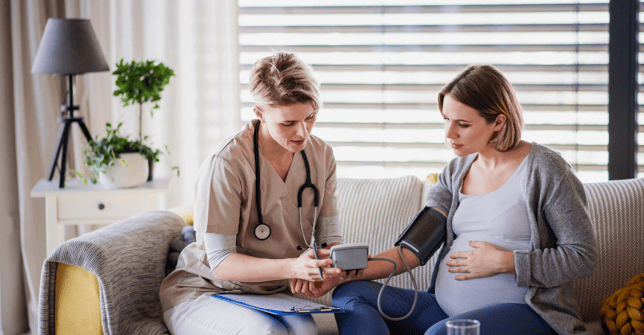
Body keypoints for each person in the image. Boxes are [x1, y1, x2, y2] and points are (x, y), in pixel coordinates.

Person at [292, 64, 597, 335]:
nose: (449, 133)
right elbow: (410, 252)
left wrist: (506, 262)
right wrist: (341, 274)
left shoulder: (545, 169)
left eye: (463, 124)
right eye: (447, 120)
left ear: (499, 122)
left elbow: (582, 255)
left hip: (529, 315)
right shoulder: (455, 172)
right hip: (443, 310)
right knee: (350, 294)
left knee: (442, 333)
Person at [160, 51, 349, 335]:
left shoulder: (321, 155)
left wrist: (326, 267)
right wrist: (292, 268)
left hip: (268, 296)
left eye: (310, 117)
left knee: (306, 331)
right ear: (259, 113)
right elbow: (221, 262)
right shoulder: (227, 163)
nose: (302, 133)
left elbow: (329, 242)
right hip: (205, 290)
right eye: (288, 123)